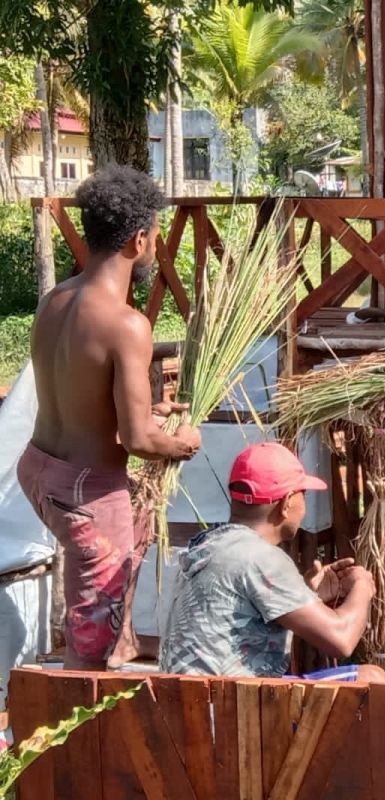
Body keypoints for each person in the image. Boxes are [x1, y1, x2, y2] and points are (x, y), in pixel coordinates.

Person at [17, 166, 202, 671]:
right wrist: (184, 441)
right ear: (138, 238)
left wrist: (146, 408)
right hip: (87, 493)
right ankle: (76, 727)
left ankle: (122, 643)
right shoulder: (127, 324)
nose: (155, 249)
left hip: (38, 468)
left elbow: (86, 395)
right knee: (90, 634)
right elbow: (140, 440)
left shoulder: (53, 301)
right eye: (155, 238)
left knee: (134, 532)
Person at [159, 442, 385, 682]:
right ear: (287, 502)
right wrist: (362, 585)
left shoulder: (209, 546)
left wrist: (308, 594)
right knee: (372, 679)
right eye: (304, 495)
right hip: (229, 707)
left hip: (189, 701)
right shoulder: (261, 558)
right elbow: (341, 639)